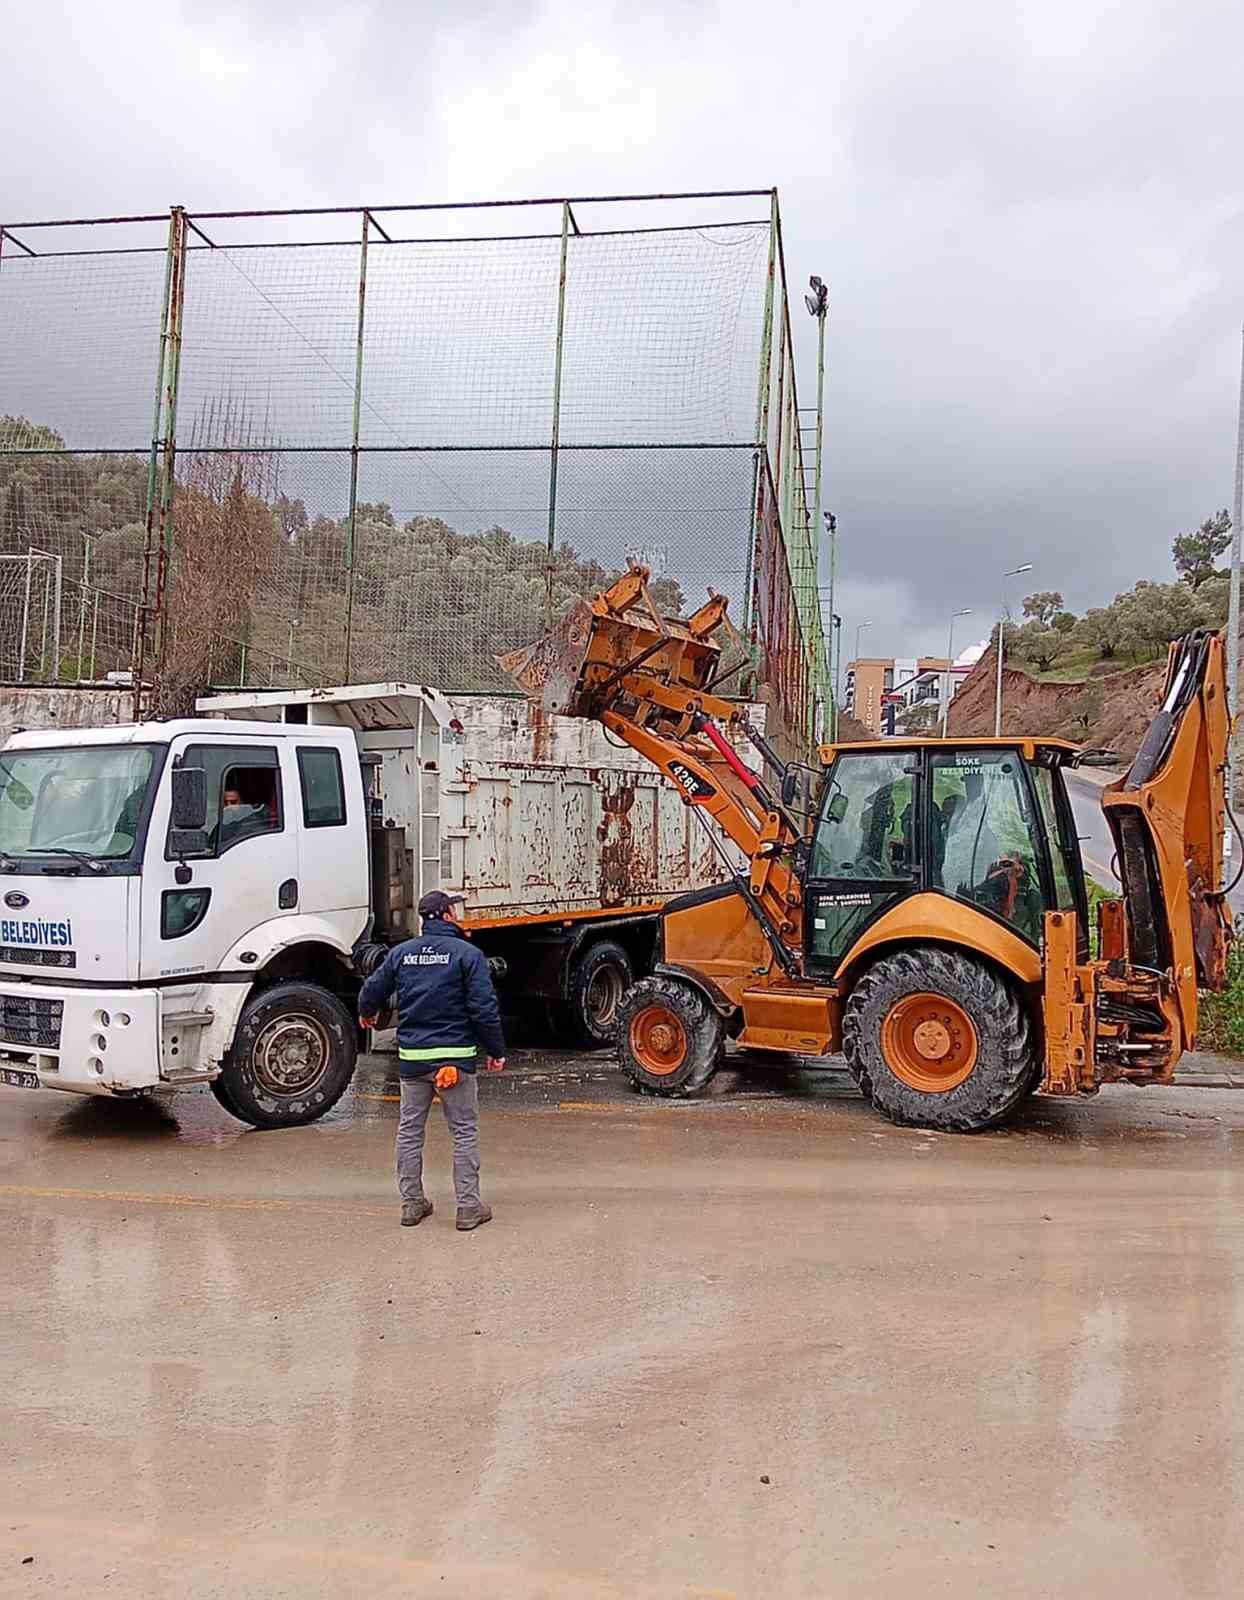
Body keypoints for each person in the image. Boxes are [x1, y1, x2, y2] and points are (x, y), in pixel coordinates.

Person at [358, 890, 507, 1231]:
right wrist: (496, 1050)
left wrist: (367, 1013)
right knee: (464, 1132)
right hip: (455, 1060)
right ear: (447, 916)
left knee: (410, 1132)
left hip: (414, 1060)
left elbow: (372, 989)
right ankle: (468, 1207)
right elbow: (484, 1009)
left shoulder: (402, 954)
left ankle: (412, 1203)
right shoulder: (468, 955)